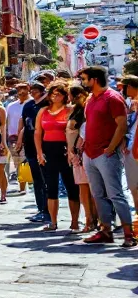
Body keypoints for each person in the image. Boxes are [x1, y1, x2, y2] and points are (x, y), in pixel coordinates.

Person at [78, 66, 135, 247]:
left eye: (85, 79)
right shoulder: (90, 99)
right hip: (90, 153)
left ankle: (128, 234)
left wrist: (111, 148)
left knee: (115, 193)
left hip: (106, 153)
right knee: (98, 194)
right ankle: (105, 231)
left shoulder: (113, 98)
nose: (83, 82)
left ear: (94, 79)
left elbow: (122, 125)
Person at [36, 84, 80, 231]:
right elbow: (37, 133)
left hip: (65, 151)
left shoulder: (70, 110)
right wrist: (39, 152)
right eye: (53, 94)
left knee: (71, 187)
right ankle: (53, 222)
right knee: (51, 188)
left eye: (59, 94)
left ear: (65, 95)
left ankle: (75, 221)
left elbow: (75, 130)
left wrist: (72, 151)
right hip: (48, 150)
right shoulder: (43, 111)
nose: (55, 96)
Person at [66, 84, 98, 233]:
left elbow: (84, 133)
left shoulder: (86, 110)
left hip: (83, 152)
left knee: (91, 189)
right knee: (84, 189)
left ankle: (93, 221)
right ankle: (90, 220)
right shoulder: (76, 110)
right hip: (77, 153)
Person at [17, 79, 50, 222]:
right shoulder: (28, 106)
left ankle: (48, 210)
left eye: (36, 90)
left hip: (46, 148)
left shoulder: (47, 105)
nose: (33, 92)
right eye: (32, 90)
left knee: (46, 180)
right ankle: (41, 209)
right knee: (37, 180)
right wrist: (19, 140)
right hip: (30, 147)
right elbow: (25, 124)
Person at [5, 82, 29, 194]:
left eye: (24, 89)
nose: (22, 92)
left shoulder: (31, 104)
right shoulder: (11, 106)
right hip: (13, 137)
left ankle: (23, 186)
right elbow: (6, 121)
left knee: (24, 161)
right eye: (19, 89)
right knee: (17, 162)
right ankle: (23, 183)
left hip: (27, 136)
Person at [122, 76, 138, 214]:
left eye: (125, 86)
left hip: (135, 149)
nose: (123, 90)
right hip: (130, 148)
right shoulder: (130, 104)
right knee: (133, 186)